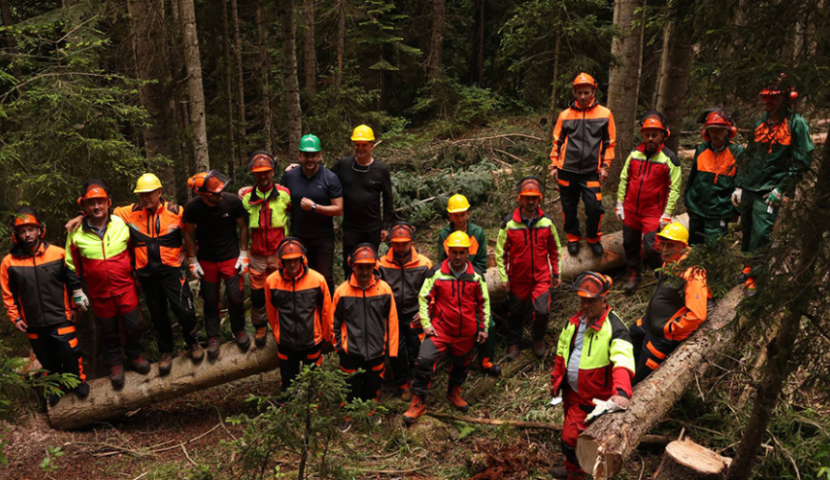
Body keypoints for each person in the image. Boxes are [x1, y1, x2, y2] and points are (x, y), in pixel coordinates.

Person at [66, 173, 204, 373]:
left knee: (185, 310)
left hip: (172, 270)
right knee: (158, 315)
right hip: (147, 274)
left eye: (149, 194)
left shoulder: (176, 211)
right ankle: (165, 351)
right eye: (141, 195)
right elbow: (100, 209)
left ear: (159, 192)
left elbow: (194, 231)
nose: (145, 198)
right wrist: (81, 215)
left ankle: (194, 343)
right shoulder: (129, 213)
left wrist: (188, 250)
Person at [732, 75, 814, 294]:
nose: (767, 101)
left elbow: (803, 158)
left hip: (769, 190)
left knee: (761, 234)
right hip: (750, 186)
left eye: (773, 97)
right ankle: (748, 265)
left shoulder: (796, 124)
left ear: (786, 97)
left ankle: (757, 278)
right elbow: (748, 156)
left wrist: (782, 187)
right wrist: (739, 185)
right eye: (765, 97)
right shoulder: (761, 122)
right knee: (747, 230)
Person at [549, 272, 634, 480]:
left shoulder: (614, 328)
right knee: (571, 435)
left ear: (605, 298)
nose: (586, 305)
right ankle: (573, 469)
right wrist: (556, 379)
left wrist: (622, 391)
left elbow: (622, 360)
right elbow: (562, 352)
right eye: (583, 300)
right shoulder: (573, 323)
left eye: (591, 301)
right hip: (571, 392)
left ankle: (576, 474)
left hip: (592, 398)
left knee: (569, 440)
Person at [66, 180, 150, 388]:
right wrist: (77, 290)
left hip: (125, 287)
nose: (96, 207)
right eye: (91, 203)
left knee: (134, 325)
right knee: (109, 330)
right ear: (84, 206)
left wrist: (139, 275)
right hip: (99, 292)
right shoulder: (76, 233)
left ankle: (134, 356)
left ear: (108, 202)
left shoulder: (120, 222)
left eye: (100, 202)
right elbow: (70, 264)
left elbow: (134, 249)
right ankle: (114, 364)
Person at [2, 207, 89, 404]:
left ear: (40, 230)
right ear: (16, 235)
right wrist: (15, 317)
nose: (27, 234)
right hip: (32, 321)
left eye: (31, 229)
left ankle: (77, 381)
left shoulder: (58, 253)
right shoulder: (9, 262)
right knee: (46, 357)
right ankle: (54, 387)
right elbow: (8, 294)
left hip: (61, 316)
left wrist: (75, 309)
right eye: (22, 231)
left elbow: (72, 282)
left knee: (70, 352)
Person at [403, 231, 490, 425]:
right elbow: (423, 297)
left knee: (461, 364)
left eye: (461, 252)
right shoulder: (436, 272)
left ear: (468, 252)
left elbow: (484, 302)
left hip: (466, 331)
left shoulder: (476, 276)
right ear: (448, 251)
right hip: (440, 329)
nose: (458, 257)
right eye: (454, 252)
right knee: (424, 360)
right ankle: (418, 401)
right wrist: (426, 324)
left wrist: (483, 328)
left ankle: (453, 392)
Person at [629, 223, 712, 385]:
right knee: (630, 338)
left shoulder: (693, 273)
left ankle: (629, 391)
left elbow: (697, 315)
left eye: (671, 245)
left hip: (663, 336)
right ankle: (621, 378)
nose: (665, 249)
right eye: (663, 244)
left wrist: (670, 329)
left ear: (683, 247)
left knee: (640, 377)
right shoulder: (671, 263)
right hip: (649, 323)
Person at [549, 72, 617, 257]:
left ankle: (593, 238)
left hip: (591, 172)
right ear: (575, 93)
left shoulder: (605, 114)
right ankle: (572, 237)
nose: (583, 96)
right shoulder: (565, 115)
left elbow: (610, 143)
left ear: (593, 91)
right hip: (566, 170)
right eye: (579, 93)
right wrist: (554, 165)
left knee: (594, 207)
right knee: (568, 206)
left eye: (586, 92)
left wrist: (605, 166)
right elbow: (557, 142)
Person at [184, 171, 250, 358]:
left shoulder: (231, 202)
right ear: (202, 194)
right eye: (215, 193)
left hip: (230, 256)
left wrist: (244, 254)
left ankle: (239, 331)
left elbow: (243, 226)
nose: (220, 195)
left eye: (221, 191)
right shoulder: (192, 207)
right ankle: (214, 336)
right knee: (211, 299)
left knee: (236, 297)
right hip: (206, 259)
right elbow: (188, 234)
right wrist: (192, 260)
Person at [332, 244, 399, 428]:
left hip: (377, 349)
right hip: (350, 350)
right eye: (360, 266)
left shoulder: (384, 290)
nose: (364, 271)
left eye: (368, 267)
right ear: (352, 266)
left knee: (372, 383)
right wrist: (339, 344)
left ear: (374, 266)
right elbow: (334, 322)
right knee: (350, 385)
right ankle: (348, 415)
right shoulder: (342, 291)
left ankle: (369, 411)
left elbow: (392, 320)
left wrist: (391, 349)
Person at [495, 177, 561, 360]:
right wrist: (504, 277)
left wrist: (556, 272)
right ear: (520, 199)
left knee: (542, 311)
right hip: (518, 279)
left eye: (534, 198)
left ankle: (538, 338)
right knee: (515, 313)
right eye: (527, 198)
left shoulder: (547, 223)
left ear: (539, 199)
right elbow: (500, 252)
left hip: (540, 277)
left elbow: (555, 249)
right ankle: (514, 343)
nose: (530, 202)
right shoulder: (509, 223)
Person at [616, 111, 681, 294]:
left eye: (655, 134)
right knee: (629, 243)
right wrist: (620, 203)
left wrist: (667, 213)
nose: (651, 138)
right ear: (642, 134)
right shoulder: (634, 154)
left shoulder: (670, 159)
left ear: (663, 134)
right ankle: (633, 272)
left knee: (652, 247)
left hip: (653, 211)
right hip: (631, 209)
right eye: (647, 134)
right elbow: (624, 178)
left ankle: (661, 275)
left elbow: (674, 188)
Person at [437, 194, 501, 376]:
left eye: (462, 214)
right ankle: (455, 359)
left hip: (473, 282)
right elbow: (441, 263)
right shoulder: (444, 235)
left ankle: (486, 360)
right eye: (455, 215)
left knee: (488, 324)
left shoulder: (477, 233)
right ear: (450, 216)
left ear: (468, 214)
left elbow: (481, 265)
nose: (459, 218)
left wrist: (467, 277)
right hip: (450, 284)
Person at [265, 237, 332, 393]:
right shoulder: (272, 282)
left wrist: (326, 334)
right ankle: (288, 406)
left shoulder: (317, 280)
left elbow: (326, 309)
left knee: (313, 380)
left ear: (302, 259)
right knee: (288, 379)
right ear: (282, 262)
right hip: (285, 341)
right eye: (288, 261)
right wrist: (277, 333)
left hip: (312, 339)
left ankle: (313, 407)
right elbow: (271, 311)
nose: (292, 264)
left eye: (296, 260)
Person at [239, 152, 292, 347]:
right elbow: (243, 225)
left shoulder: (284, 193)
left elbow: (294, 212)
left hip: (280, 252)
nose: (263, 176)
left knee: (282, 289)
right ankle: (260, 326)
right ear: (254, 174)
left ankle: (284, 323)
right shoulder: (246, 197)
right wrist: (243, 252)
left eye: (267, 172)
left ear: (272, 172)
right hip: (258, 253)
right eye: (259, 173)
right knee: (258, 294)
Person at [280, 134, 344, 293]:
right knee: (299, 277)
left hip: (323, 238)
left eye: (313, 155)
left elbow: (338, 209)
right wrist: (245, 191)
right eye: (306, 155)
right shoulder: (289, 176)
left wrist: (315, 206)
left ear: (319, 156)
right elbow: (279, 200)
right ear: (300, 156)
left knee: (325, 277)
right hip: (298, 236)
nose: (310, 159)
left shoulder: (330, 178)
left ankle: (328, 314)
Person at [378, 222, 433, 400]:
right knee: (395, 350)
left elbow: (433, 291)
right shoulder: (381, 264)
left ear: (411, 242)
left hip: (414, 313)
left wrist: (426, 311)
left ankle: (418, 382)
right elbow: (376, 290)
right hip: (391, 315)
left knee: (416, 347)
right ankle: (403, 384)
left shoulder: (424, 265)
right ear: (391, 243)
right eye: (396, 243)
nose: (400, 248)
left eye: (404, 243)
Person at [331, 125, 394, 279]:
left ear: (372, 145)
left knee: (370, 266)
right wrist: (299, 168)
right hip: (350, 228)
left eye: (364, 145)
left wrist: (386, 226)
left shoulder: (380, 170)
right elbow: (325, 177)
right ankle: (350, 297)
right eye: (357, 144)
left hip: (372, 228)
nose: (360, 148)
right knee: (349, 265)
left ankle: (371, 297)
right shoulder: (343, 165)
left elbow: (388, 198)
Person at [684, 109, 743, 245]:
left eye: (719, 130)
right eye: (712, 130)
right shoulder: (701, 150)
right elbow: (692, 179)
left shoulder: (737, 152)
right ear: (706, 132)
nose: (715, 134)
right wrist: (688, 200)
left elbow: (741, 183)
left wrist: (736, 211)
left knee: (714, 248)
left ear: (728, 131)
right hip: (697, 208)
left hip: (720, 211)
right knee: (694, 246)